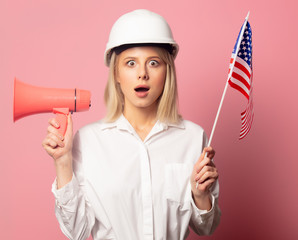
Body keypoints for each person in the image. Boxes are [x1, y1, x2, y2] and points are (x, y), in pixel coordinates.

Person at [42, 9, 221, 240]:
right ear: (116, 72)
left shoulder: (193, 137)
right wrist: (63, 162)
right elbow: (77, 231)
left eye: (154, 63)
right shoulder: (88, 141)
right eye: (130, 63)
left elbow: (206, 228)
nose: (142, 74)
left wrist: (200, 195)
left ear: (167, 72)